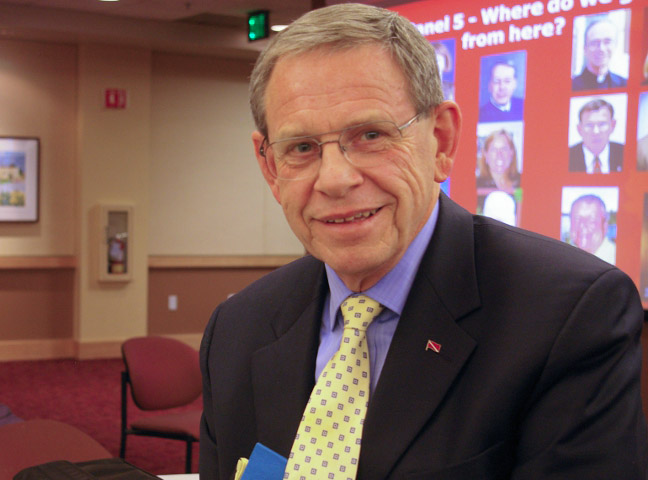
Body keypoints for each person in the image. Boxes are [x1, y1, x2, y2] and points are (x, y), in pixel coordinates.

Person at [199, 4, 647, 479]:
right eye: (302, 148)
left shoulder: (569, 318)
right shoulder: (236, 331)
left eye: (371, 134)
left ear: (442, 140)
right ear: (270, 166)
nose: (334, 179)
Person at [568, 98, 623, 173]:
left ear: (613, 125)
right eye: (589, 125)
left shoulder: (624, 153)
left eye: (602, 124)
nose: (596, 131)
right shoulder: (568, 156)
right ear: (579, 129)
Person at [572, 18, 627, 91]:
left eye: (607, 42)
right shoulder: (571, 86)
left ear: (615, 46)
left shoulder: (624, 85)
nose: (601, 49)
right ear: (585, 49)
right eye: (594, 43)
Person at [569, 194, 616, 264]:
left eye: (591, 220)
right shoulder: (564, 256)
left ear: (605, 226)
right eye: (577, 219)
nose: (582, 225)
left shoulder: (617, 258)